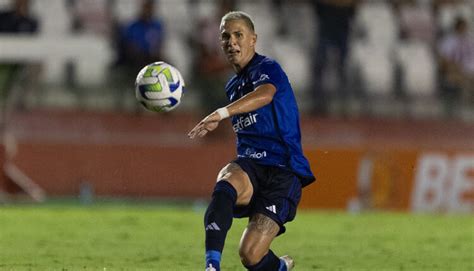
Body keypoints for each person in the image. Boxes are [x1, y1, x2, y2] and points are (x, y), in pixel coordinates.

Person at [188, 11, 315, 271]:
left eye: (238, 35)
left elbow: (266, 95)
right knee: (226, 181)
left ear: (253, 39)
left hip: (283, 169)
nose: (231, 42)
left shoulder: (268, 68)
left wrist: (222, 113)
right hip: (251, 165)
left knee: (250, 255)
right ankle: (212, 266)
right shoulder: (233, 85)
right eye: (225, 37)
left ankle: (279, 268)